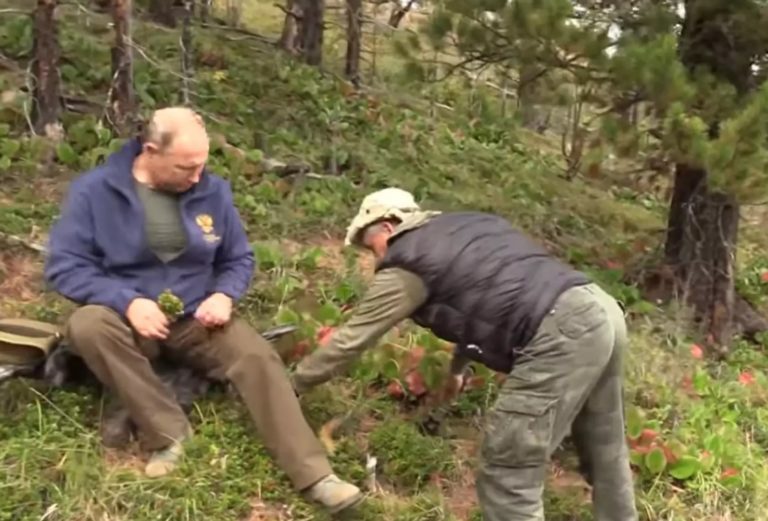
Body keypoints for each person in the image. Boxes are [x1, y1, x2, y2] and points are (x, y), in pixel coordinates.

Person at [43, 107, 363, 515]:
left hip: (197, 318)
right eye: (185, 167)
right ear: (151, 150)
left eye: (202, 165)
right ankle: (170, 434)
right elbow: (65, 266)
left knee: (256, 356)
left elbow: (238, 259)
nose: (197, 176)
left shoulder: (213, 191)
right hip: (128, 322)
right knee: (87, 323)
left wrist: (224, 295)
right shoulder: (95, 191)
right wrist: (127, 300)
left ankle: (317, 475)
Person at [289, 187, 639, 521]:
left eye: (372, 247)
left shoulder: (406, 262)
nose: (376, 258)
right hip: (598, 306)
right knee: (605, 445)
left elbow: (352, 338)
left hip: (560, 330)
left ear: (388, 226)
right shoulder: (464, 225)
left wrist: (293, 383)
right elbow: (489, 294)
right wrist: (458, 367)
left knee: (508, 466)